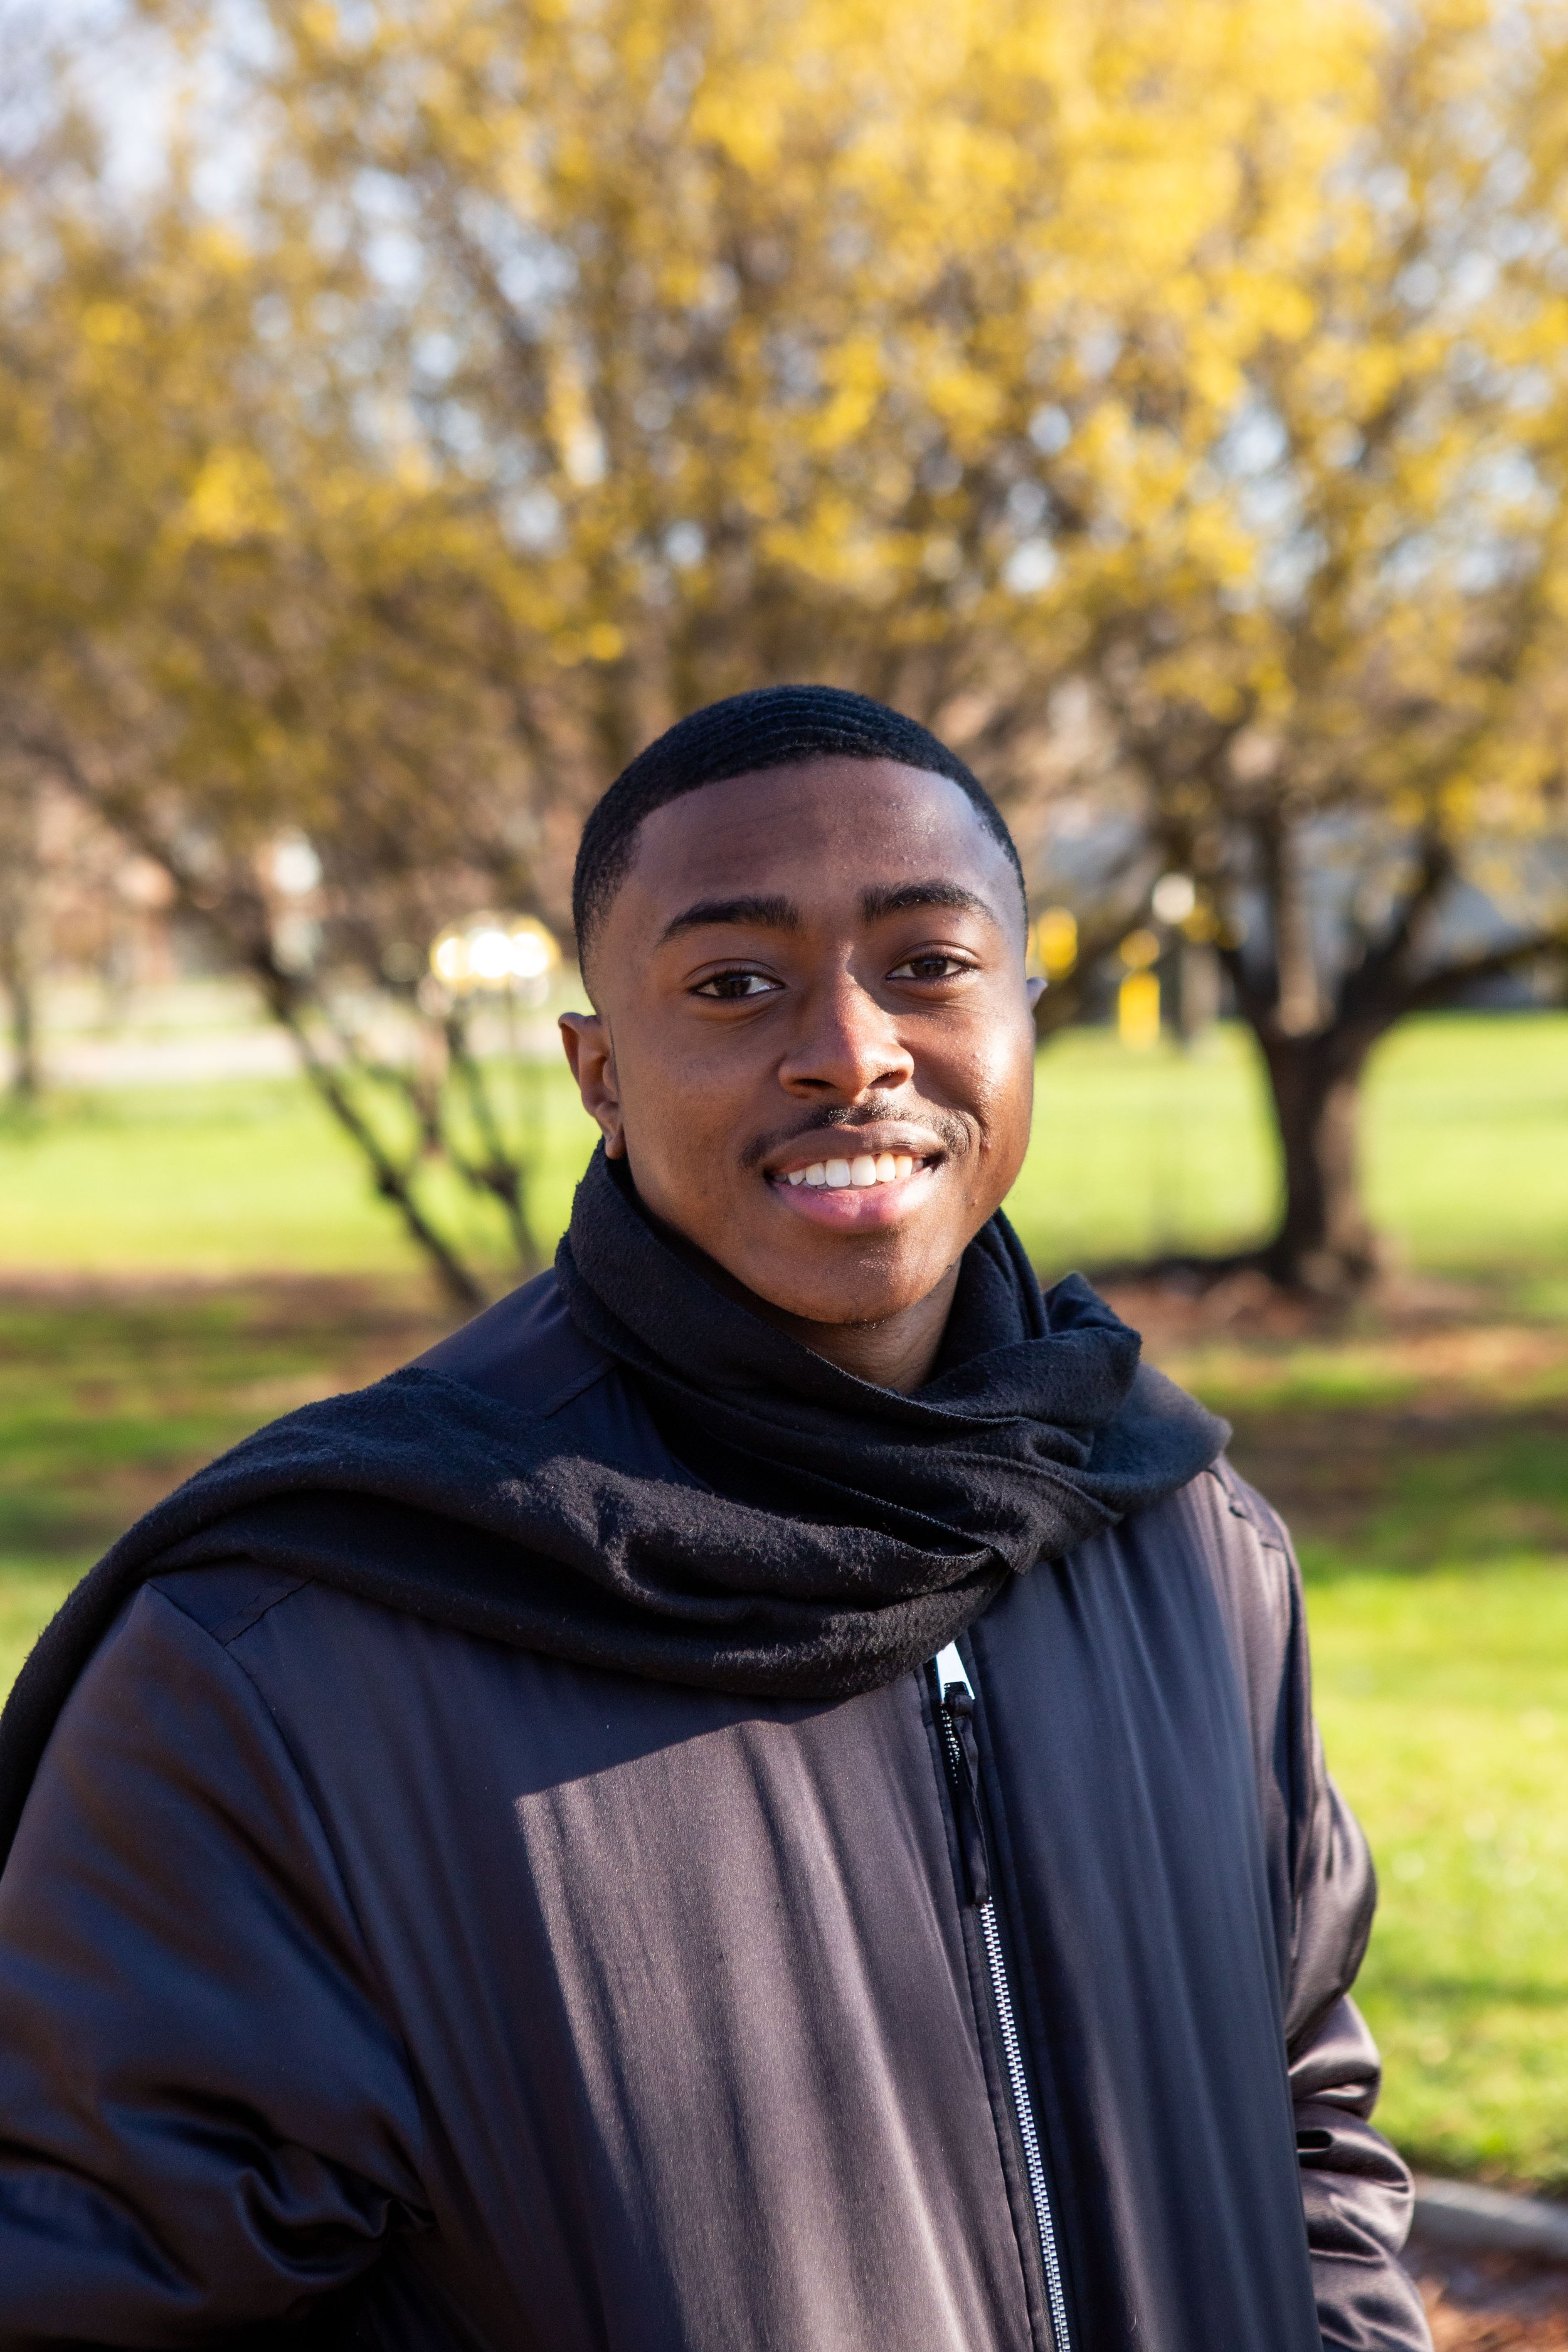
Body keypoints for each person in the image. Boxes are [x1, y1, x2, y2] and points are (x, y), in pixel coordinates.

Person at [0, 686, 1430, 2351]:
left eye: (928, 963)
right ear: (599, 1071)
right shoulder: (291, 1656)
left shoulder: (1180, 1543)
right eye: (737, 983)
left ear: (1026, 1015)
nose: (852, 1049)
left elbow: (1302, 2111)